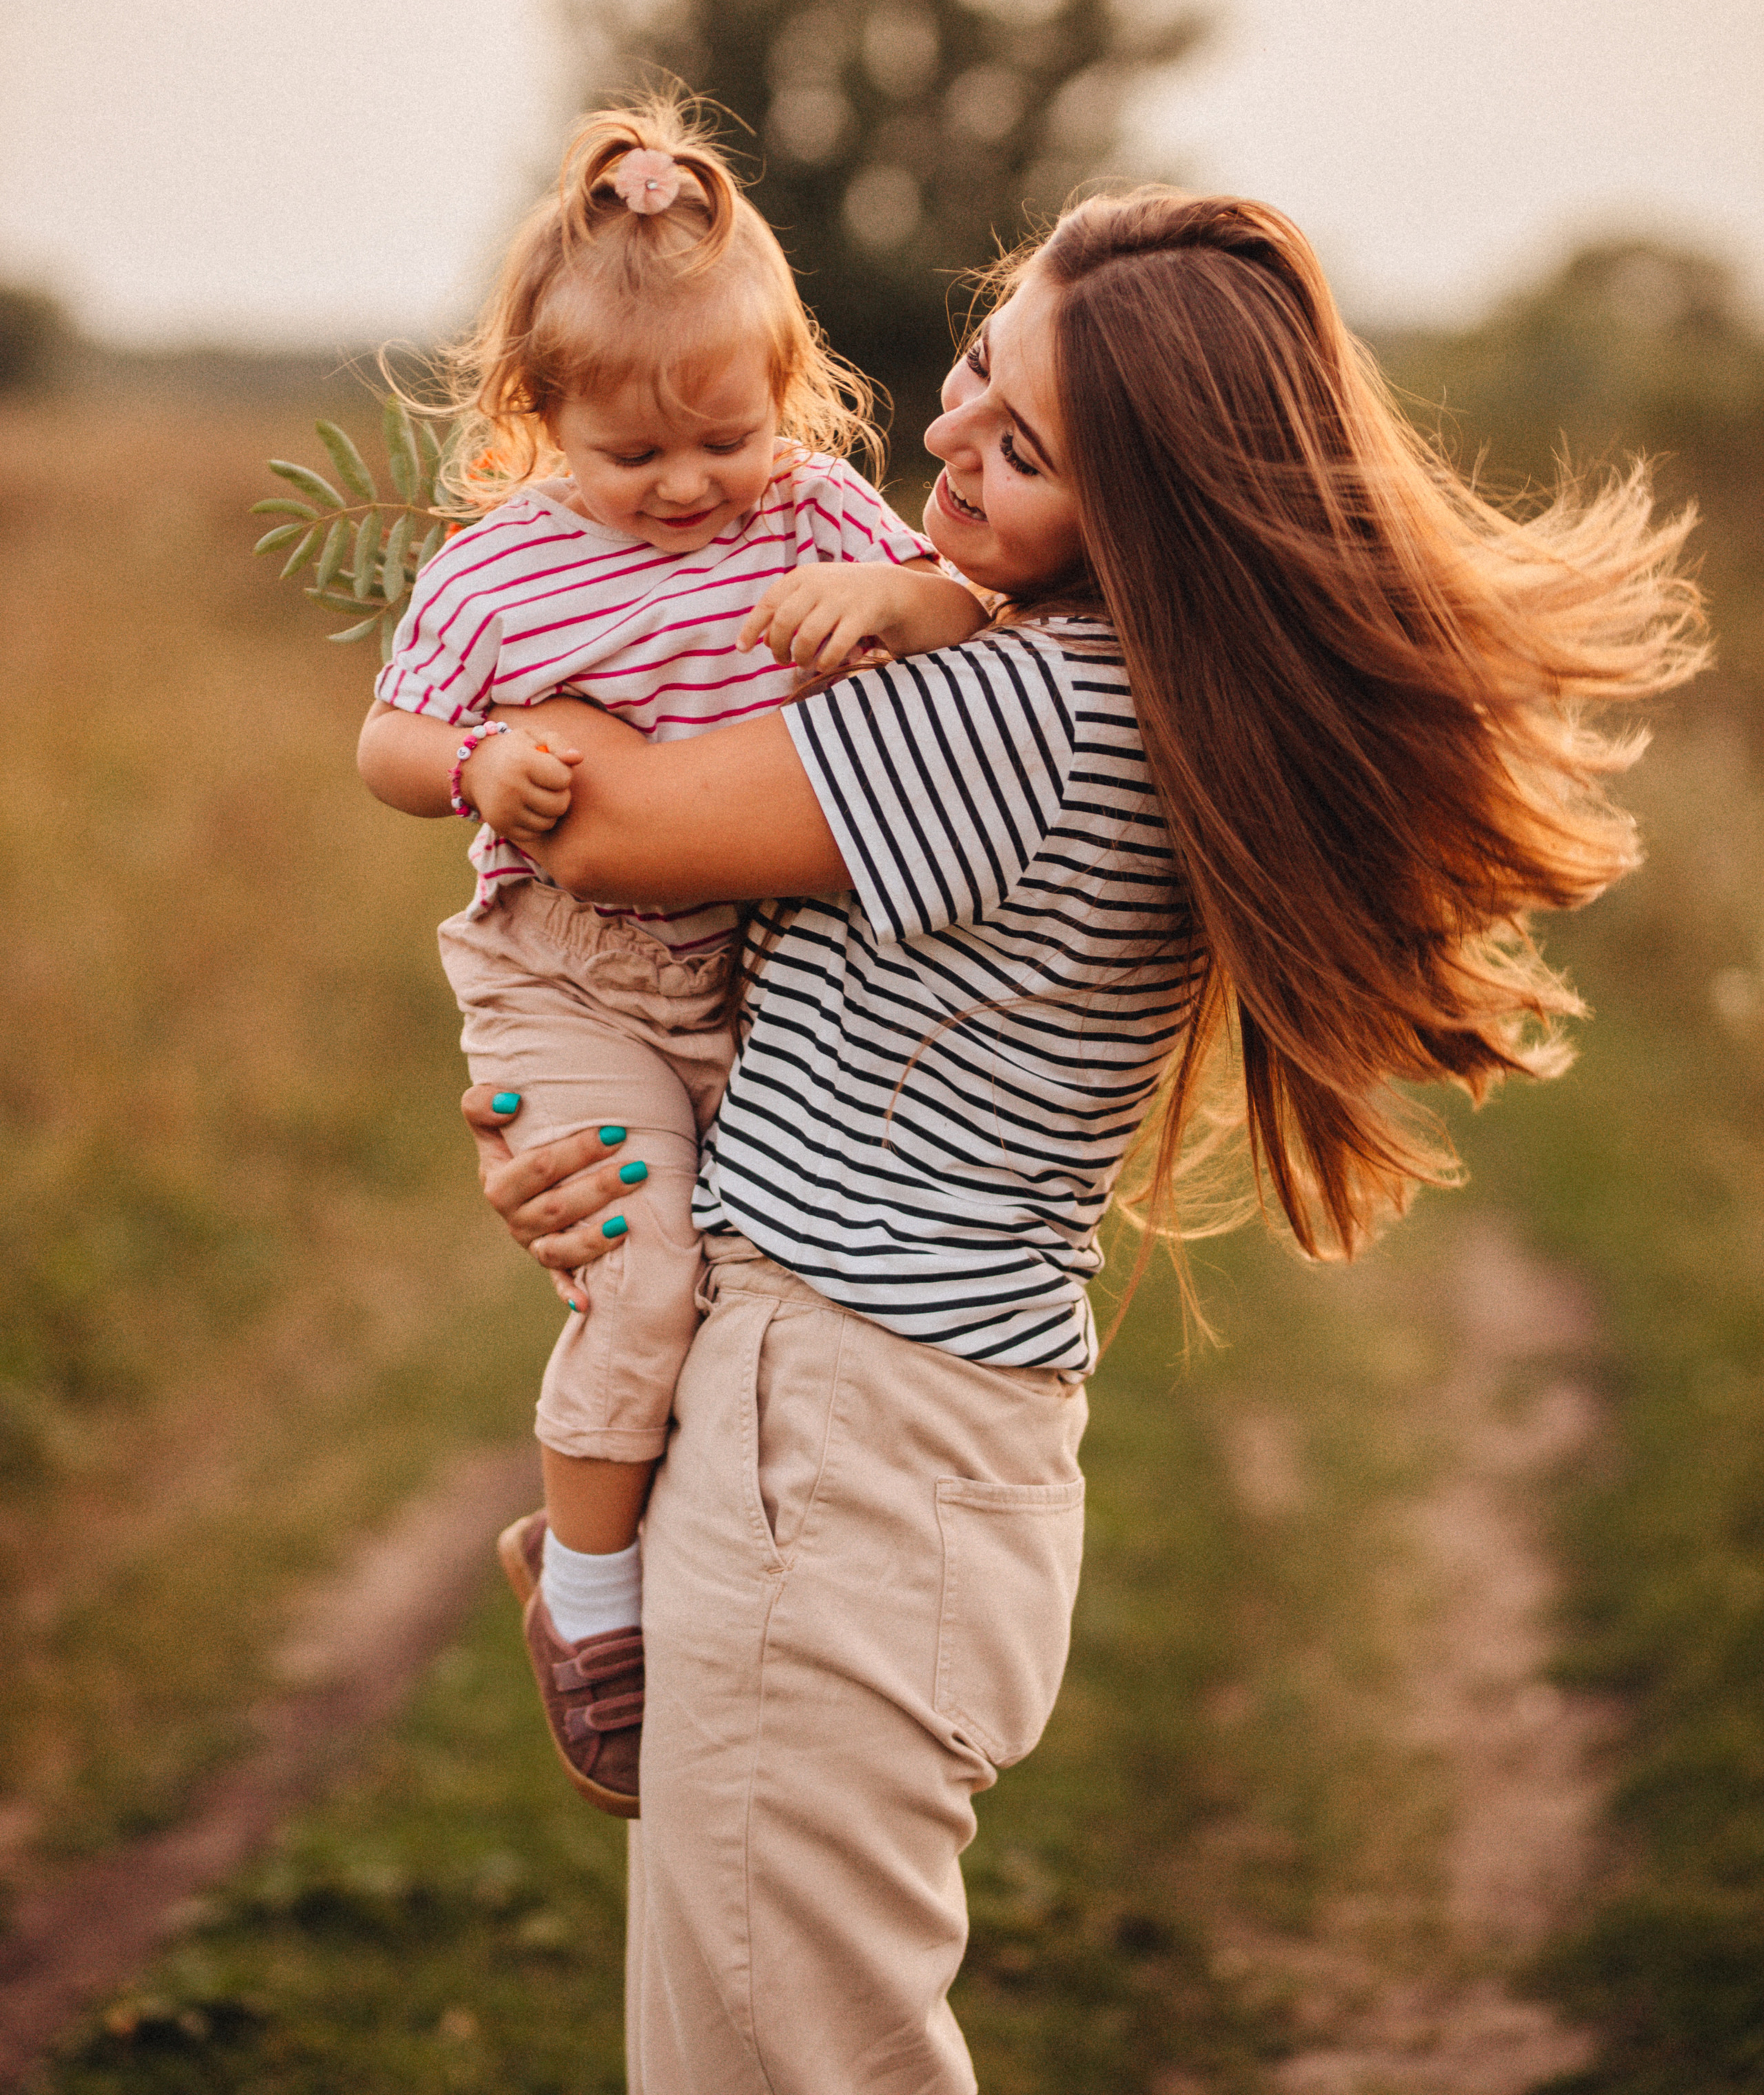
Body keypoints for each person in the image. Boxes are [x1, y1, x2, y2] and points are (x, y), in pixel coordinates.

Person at [465, 187, 1703, 2094]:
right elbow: (762, 1010)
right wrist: (588, 1146)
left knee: (789, 2066)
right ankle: (606, 1587)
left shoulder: (1026, 717)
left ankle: (596, 1587)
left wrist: (525, 621)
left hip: (844, 1446)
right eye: (977, 367)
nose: (946, 434)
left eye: (1025, 445)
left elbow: (610, 830)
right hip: (896, 1436)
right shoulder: (1100, 687)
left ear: (1148, 522)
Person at [356, 101, 985, 1815]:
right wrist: (478, 764)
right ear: (537, 419)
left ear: (783, 390)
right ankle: (592, 1597)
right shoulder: (499, 573)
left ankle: (633, 1554)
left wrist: (903, 609)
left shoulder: (813, 517)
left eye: (731, 433)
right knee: (638, 1279)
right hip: (556, 969)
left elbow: (966, 610)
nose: (693, 485)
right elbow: (389, 747)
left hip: (731, 975)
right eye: (636, 460)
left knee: (734, 1292)